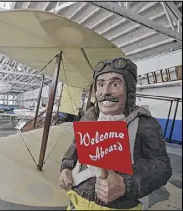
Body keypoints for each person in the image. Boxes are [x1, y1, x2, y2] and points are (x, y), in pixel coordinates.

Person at [58, 57, 172, 210]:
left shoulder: (144, 124)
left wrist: (126, 183)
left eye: (115, 84)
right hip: (77, 202)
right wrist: (66, 167)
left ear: (128, 89)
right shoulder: (88, 119)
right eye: (101, 84)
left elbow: (161, 165)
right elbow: (76, 146)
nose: (106, 92)